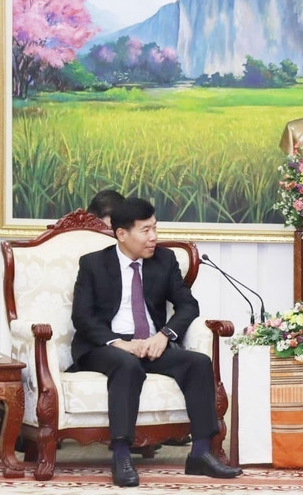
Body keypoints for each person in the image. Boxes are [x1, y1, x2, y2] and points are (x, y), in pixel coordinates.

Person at [70, 197, 242, 487]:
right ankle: (121, 456)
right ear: (121, 234)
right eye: (145, 230)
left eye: (155, 228)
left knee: (198, 363)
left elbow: (188, 305)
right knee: (127, 365)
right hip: (106, 347)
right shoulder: (93, 264)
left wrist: (164, 335)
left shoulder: (164, 260)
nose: (154, 237)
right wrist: (118, 342)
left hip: (151, 343)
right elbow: (82, 317)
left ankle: (200, 453)